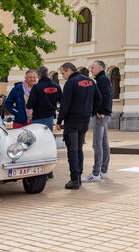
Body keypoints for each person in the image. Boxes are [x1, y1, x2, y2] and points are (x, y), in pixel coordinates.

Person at [57, 62, 101, 190]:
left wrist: (59, 121)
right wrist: (93, 111)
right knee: (79, 148)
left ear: (68, 70)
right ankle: (79, 176)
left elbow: (65, 104)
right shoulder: (90, 81)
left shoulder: (71, 83)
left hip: (72, 121)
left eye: (63, 73)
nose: (63, 76)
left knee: (72, 149)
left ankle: (74, 180)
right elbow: (99, 98)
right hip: (84, 121)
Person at [82, 60, 113, 183]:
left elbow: (105, 97)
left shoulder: (102, 79)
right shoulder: (103, 79)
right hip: (104, 114)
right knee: (104, 143)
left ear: (100, 68)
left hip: (101, 115)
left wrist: (100, 111)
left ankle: (95, 174)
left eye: (93, 67)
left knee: (97, 144)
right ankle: (103, 171)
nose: (91, 69)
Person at [27, 66, 61, 130]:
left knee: (38, 138)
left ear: (38, 76)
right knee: (48, 137)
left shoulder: (36, 87)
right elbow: (61, 101)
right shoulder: (56, 86)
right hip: (50, 117)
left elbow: (30, 105)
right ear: (47, 74)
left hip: (38, 118)